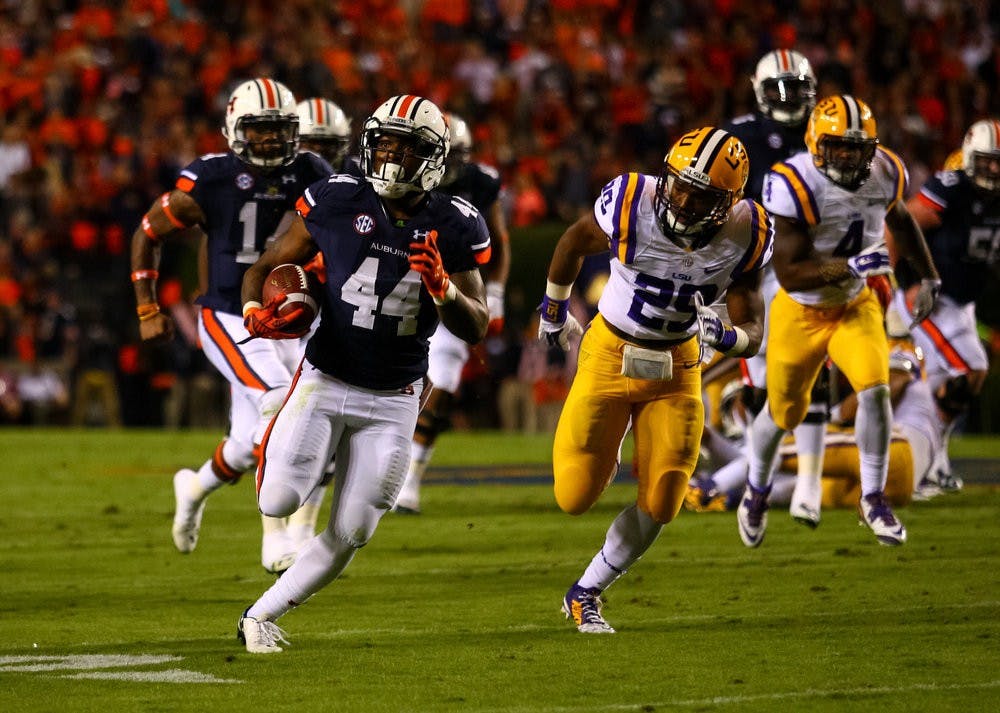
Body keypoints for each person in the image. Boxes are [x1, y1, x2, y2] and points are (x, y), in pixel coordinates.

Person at [235, 94, 489, 653]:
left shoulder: (455, 223)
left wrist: (444, 289)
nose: (392, 155)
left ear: (433, 156)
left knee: (354, 530)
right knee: (279, 500)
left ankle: (259, 616)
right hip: (327, 378)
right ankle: (272, 457)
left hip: (395, 397)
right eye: (386, 142)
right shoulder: (335, 198)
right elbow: (265, 265)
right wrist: (258, 309)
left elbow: (476, 326)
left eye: (407, 146)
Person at [539, 127, 772, 634]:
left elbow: (754, 328)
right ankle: (615, 438)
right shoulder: (632, 201)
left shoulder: (747, 232)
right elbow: (574, 240)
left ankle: (586, 591)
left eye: (700, 194)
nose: (683, 199)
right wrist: (554, 308)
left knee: (665, 496)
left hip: (678, 364)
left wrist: (730, 338)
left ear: (728, 202)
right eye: (679, 184)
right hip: (609, 351)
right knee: (573, 496)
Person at [130, 78, 334, 573]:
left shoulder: (311, 171)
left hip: (291, 315)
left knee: (251, 442)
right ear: (235, 129)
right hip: (227, 313)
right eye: (258, 129)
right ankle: (277, 535)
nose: (268, 139)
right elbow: (148, 231)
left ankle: (194, 487)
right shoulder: (211, 178)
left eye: (278, 129)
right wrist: (147, 306)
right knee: (279, 401)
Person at [737, 95, 941, 549]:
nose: (849, 156)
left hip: (854, 305)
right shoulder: (793, 182)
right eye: (838, 146)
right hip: (800, 308)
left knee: (876, 388)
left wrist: (928, 276)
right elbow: (789, 273)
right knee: (783, 411)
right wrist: (852, 265)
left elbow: (903, 221)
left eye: (857, 147)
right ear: (815, 142)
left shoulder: (886, 170)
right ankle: (756, 487)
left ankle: (872, 496)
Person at [724, 48, 831, 527]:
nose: (788, 99)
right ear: (758, 91)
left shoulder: (828, 133)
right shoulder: (741, 138)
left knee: (812, 375)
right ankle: (750, 480)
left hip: (812, 267)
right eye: (777, 89)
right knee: (765, 388)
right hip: (756, 268)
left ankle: (802, 482)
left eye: (796, 89)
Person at [393, 112, 511, 514]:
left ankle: (410, 477)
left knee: (442, 382)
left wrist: (493, 291)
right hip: (401, 290)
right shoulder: (397, 177)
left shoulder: (479, 183)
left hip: (453, 290)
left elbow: (500, 241)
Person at [891, 118, 1000, 493]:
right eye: (987, 161)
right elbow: (900, 225)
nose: (994, 169)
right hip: (929, 298)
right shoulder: (951, 188)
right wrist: (890, 281)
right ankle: (920, 464)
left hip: (962, 302)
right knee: (971, 369)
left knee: (946, 385)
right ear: (970, 158)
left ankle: (929, 463)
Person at [295, 97, 354, 172]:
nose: (318, 148)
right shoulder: (283, 173)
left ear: (342, 145)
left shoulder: (356, 171)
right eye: (311, 142)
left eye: (327, 142)